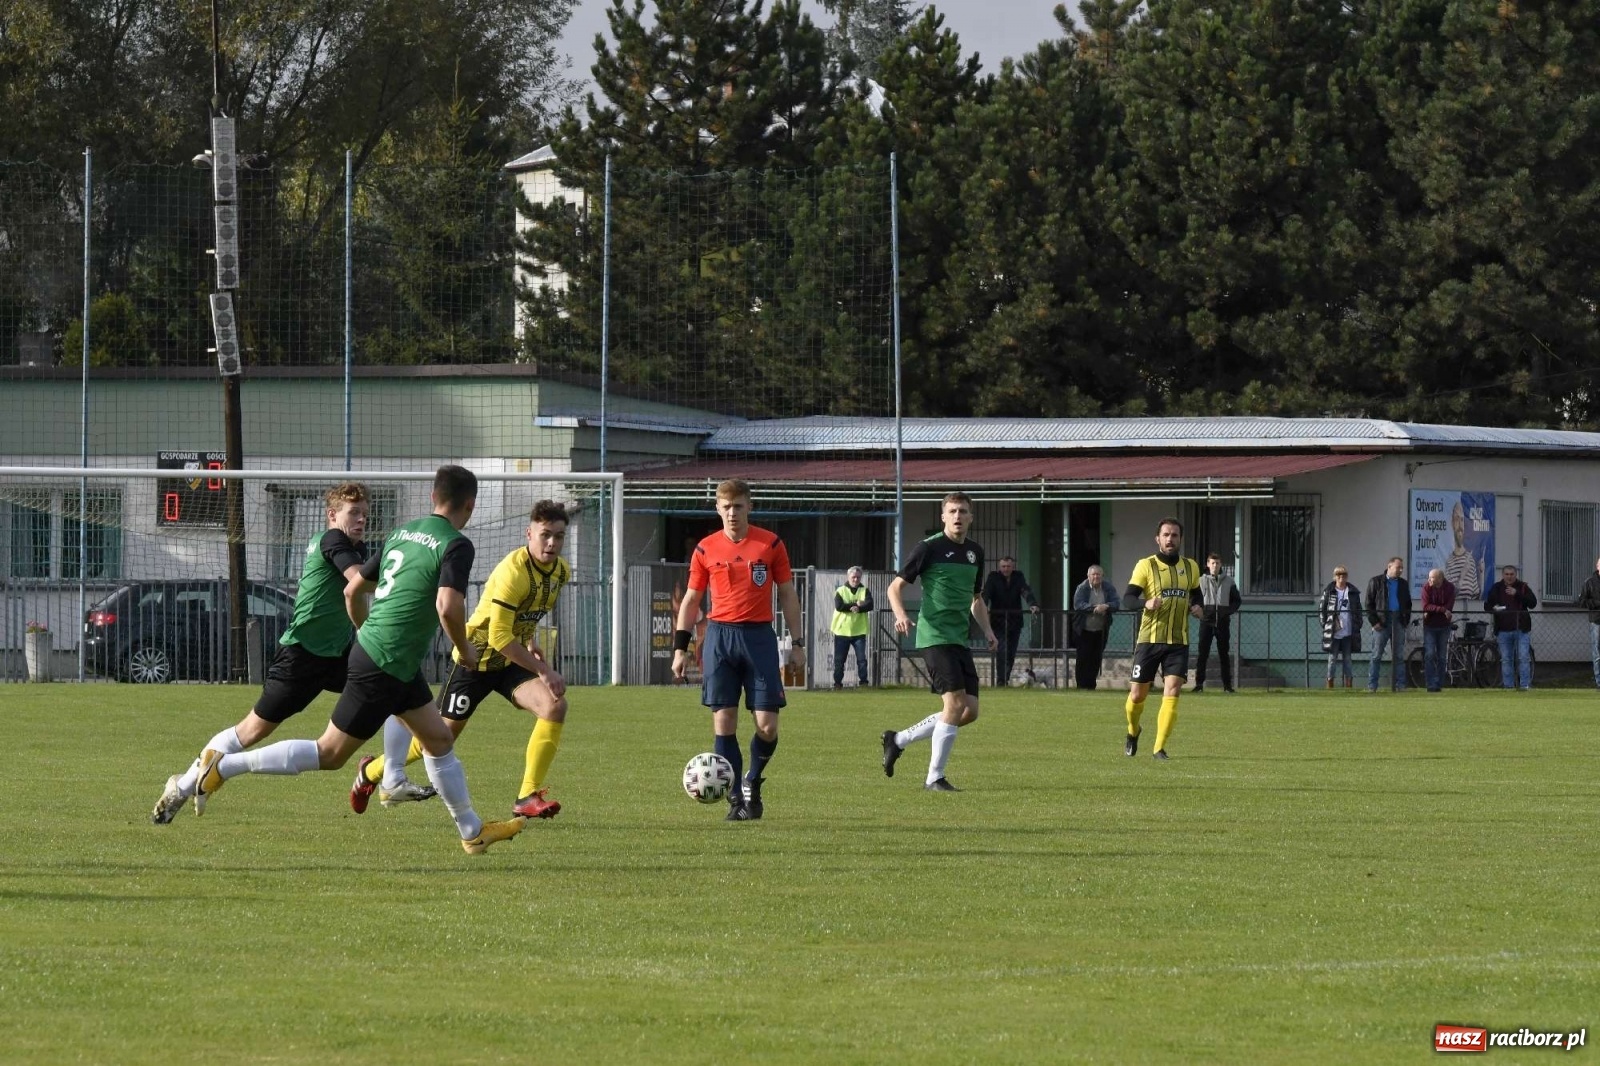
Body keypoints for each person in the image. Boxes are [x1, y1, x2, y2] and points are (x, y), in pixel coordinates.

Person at [190, 465, 525, 855]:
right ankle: (222, 767)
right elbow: (448, 605)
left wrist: (366, 631)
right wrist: (466, 651)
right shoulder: (456, 544)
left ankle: (472, 831)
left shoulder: (402, 533)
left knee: (438, 739)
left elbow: (353, 591)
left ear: (433, 497)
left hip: (389, 657)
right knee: (329, 753)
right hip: (385, 661)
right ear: (470, 505)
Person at [151, 482, 383, 824]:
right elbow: (356, 582)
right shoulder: (333, 540)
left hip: (336, 655)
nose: (362, 519)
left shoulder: (354, 548)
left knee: (390, 684)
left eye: (365, 513)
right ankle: (183, 786)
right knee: (250, 731)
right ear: (333, 515)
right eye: (354, 513)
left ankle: (391, 775)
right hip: (302, 657)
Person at [349, 500, 573, 821]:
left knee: (555, 705)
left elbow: (523, 615)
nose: (552, 543)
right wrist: (544, 669)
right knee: (437, 739)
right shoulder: (514, 572)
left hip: (508, 663)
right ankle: (370, 771)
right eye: (545, 534)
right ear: (529, 534)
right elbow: (498, 637)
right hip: (475, 660)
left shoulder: (561, 572)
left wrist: (532, 642)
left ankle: (527, 795)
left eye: (559, 536)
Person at [671, 479, 803, 821]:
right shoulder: (705, 549)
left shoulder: (770, 544)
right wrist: (679, 648)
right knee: (724, 721)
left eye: (739, 506)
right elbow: (691, 599)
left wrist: (797, 642)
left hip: (759, 638)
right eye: (726, 507)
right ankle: (735, 801)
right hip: (719, 639)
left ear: (749, 507)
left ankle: (752, 781)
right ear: (718, 509)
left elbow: (787, 594)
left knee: (768, 725)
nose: (732, 513)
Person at [880, 492, 998, 791]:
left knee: (968, 711)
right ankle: (934, 777)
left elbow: (976, 599)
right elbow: (894, 588)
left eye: (963, 511)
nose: (958, 516)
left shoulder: (975, 552)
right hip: (934, 636)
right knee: (954, 703)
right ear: (943, 516)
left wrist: (987, 631)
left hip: (959, 638)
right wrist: (901, 615)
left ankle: (899, 739)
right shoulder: (928, 548)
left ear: (971, 517)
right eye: (952, 511)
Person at [1120, 517, 1202, 760]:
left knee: (1173, 690)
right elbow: (1127, 599)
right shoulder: (1145, 565)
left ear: (1180, 539)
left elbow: (1197, 596)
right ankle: (1133, 730)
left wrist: (1197, 607)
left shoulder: (1191, 567)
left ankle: (1159, 748)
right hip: (1149, 640)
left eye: (1174, 535)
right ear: (1158, 539)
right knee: (1137, 695)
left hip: (1178, 641)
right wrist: (1145, 602)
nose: (1170, 539)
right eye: (1166, 535)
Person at [981, 555, 1038, 686]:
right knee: (1002, 651)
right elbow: (987, 593)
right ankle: (1001, 681)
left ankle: (1005, 679)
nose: (1006, 569)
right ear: (999, 567)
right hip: (998, 620)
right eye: (1003, 566)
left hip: (1015, 620)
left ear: (1013, 567)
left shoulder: (1018, 576)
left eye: (1008, 566)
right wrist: (983, 607)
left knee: (1011, 653)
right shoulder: (993, 577)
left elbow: (1025, 590)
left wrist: (1032, 604)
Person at [1193, 553, 1241, 693]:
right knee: (1202, 654)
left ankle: (1227, 686)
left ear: (1221, 565)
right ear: (1208, 564)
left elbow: (1237, 601)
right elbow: (1194, 599)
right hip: (1206, 622)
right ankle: (1199, 685)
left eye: (1217, 563)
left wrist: (1227, 612)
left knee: (1224, 655)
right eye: (1212, 563)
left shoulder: (1229, 581)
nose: (1215, 566)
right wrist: (1198, 610)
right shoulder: (1200, 581)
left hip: (1223, 623)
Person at [1484, 564, 1537, 690]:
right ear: (1503, 575)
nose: (1509, 577)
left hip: (1521, 629)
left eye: (1511, 574)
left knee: (1523, 657)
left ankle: (1525, 685)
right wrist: (1494, 608)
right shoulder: (1497, 588)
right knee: (1506, 659)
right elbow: (1487, 606)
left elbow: (1533, 603)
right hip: (1503, 630)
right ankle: (1509, 686)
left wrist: (1517, 594)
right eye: (1506, 574)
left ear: (1515, 575)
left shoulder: (1523, 587)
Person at [1364, 557, 1412, 692]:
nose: (1401, 570)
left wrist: (1405, 621)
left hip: (1398, 620)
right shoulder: (1376, 581)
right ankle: (1372, 686)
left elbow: (1408, 604)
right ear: (1389, 566)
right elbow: (1368, 604)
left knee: (1399, 655)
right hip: (1382, 621)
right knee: (1376, 654)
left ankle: (1400, 685)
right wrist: (1374, 622)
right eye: (1398, 567)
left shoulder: (1403, 584)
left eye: (1402, 568)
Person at [1070, 564, 1117, 690]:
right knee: (1083, 657)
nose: (1096, 576)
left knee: (1096, 657)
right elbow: (1078, 604)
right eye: (1093, 574)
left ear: (1102, 576)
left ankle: (1091, 685)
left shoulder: (1108, 587)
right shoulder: (1082, 588)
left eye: (1098, 574)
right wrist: (1095, 608)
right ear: (1088, 576)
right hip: (1083, 630)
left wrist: (1106, 606)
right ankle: (1081, 685)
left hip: (1101, 630)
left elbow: (1116, 603)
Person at [1318, 566, 1362, 688]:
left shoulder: (1352, 592)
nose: (1341, 578)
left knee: (1347, 658)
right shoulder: (1329, 591)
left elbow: (1358, 609)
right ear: (1335, 577)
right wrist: (1325, 624)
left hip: (1348, 630)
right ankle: (1330, 682)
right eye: (1338, 576)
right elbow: (1322, 609)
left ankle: (1349, 683)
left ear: (1346, 577)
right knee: (1332, 658)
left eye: (1343, 576)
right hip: (1334, 631)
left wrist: (1358, 624)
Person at [830, 566, 872, 689]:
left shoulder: (865, 590)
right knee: (839, 661)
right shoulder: (841, 590)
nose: (856, 579)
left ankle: (863, 683)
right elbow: (839, 606)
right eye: (853, 577)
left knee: (862, 660)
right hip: (842, 630)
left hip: (859, 631)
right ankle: (837, 684)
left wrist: (859, 608)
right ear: (848, 577)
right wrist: (855, 605)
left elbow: (870, 605)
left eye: (858, 577)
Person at [1420, 568, 1456, 693]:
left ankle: (1438, 684)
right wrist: (1442, 610)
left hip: (1444, 626)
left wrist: (1437, 609)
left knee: (1442, 657)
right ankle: (1430, 684)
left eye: (1432, 577)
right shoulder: (1426, 587)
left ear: (1440, 578)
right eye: (1429, 577)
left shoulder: (1450, 588)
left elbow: (1449, 605)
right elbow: (1425, 606)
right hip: (1429, 625)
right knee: (1429, 654)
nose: (1429, 580)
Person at [1443, 501, 1486, 601]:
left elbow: (1478, 595)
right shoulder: (1449, 562)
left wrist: (1481, 574)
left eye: (1462, 519)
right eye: (1457, 519)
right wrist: (1462, 574)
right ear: (1452, 523)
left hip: (1469, 611)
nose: (1460, 525)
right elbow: (1450, 595)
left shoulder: (1470, 559)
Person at [1575, 556, 1600, 689]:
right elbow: (1581, 601)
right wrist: (1596, 604)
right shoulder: (1589, 582)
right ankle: (1599, 682)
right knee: (1597, 653)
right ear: (1597, 567)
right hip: (1596, 621)